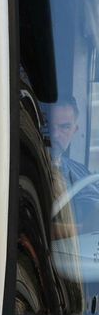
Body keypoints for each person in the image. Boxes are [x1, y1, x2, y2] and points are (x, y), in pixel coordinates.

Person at [47, 98, 99, 235]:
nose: (55, 134)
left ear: (75, 130)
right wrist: (80, 229)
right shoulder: (28, 169)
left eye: (64, 127)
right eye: (50, 126)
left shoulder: (81, 172)